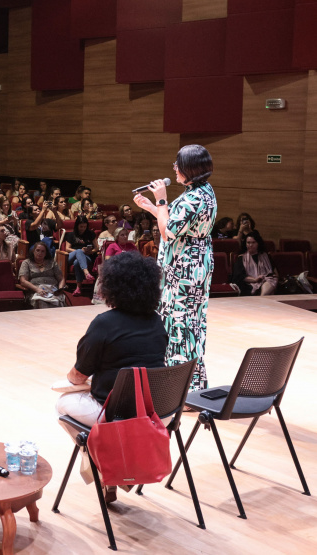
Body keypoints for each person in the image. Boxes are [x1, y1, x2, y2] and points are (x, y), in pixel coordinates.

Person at [54, 252, 168, 492]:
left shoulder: (104, 323)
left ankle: (103, 462)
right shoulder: (157, 321)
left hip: (116, 413)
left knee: (63, 403)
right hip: (156, 411)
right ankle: (114, 469)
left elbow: (77, 376)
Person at [133, 144, 217, 390]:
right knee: (186, 323)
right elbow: (176, 222)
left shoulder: (194, 197)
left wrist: (160, 199)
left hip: (185, 270)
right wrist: (151, 207)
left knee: (182, 325)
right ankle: (188, 386)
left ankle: (185, 391)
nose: (174, 168)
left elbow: (168, 232)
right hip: (190, 266)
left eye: (177, 164)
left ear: (189, 169)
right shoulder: (202, 190)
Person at [59, 215, 98, 295]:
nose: (83, 228)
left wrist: (90, 252)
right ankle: (86, 273)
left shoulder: (90, 233)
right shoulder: (71, 234)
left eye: (84, 226)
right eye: (81, 226)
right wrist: (79, 251)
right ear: (77, 226)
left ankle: (78, 288)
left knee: (77, 262)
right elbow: (67, 249)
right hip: (71, 256)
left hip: (87, 256)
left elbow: (97, 248)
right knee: (79, 251)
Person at [19, 242, 65, 308]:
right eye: (38, 250)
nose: (40, 253)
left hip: (52, 291)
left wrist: (60, 289)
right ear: (33, 251)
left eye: (43, 251)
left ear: (46, 253)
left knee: (57, 303)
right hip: (36, 291)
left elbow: (61, 279)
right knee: (41, 302)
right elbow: (23, 281)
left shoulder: (52, 262)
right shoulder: (27, 263)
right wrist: (37, 289)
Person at [232, 230, 277, 296]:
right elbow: (239, 277)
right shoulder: (241, 258)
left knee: (271, 280)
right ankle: (263, 298)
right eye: (248, 243)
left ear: (258, 243)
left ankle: (262, 297)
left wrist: (262, 278)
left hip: (265, 280)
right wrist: (255, 280)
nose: (250, 245)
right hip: (249, 283)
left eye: (253, 242)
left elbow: (272, 273)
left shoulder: (265, 256)